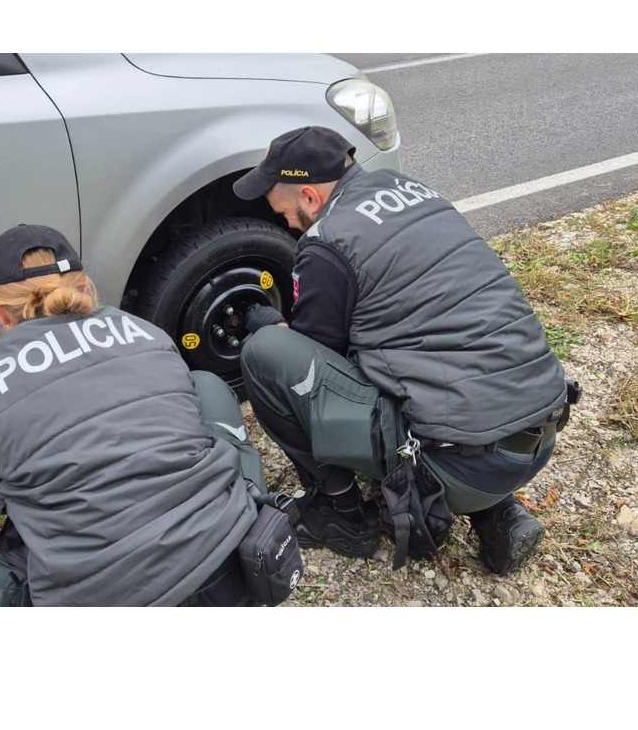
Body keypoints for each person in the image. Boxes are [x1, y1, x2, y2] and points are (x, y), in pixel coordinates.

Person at [234, 126, 571, 574]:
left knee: (265, 353)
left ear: (311, 197)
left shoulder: (329, 241)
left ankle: (342, 514)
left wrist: (272, 325)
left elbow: (315, 362)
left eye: (286, 213)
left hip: (462, 468)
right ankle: (498, 513)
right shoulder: (414, 192)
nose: (290, 226)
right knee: (443, 359)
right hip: (539, 431)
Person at [0, 224, 262, 606]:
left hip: (104, 600)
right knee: (206, 385)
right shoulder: (146, 332)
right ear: (83, 287)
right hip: (228, 569)